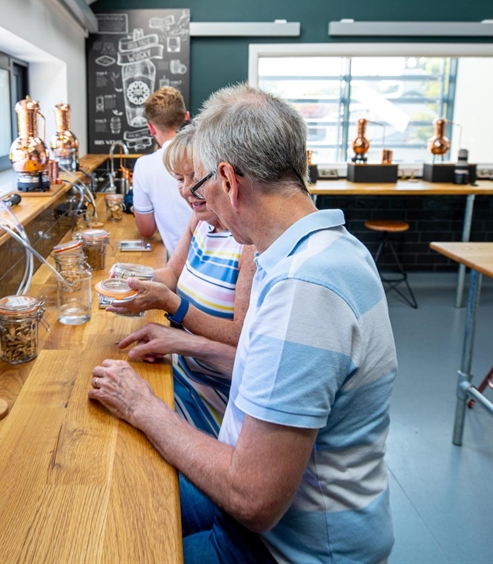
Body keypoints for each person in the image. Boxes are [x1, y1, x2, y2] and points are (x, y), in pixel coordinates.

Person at [90, 84, 397, 564]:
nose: (200, 199)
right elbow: (266, 367)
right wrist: (182, 343)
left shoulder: (305, 290)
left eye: (202, 185)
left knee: (120, 537)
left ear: (228, 180)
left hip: (284, 548)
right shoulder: (324, 249)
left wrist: (143, 406)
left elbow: (253, 500)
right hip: (272, 523)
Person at [108, 125, 255, 437]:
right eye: (179, 179)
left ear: (221, 176)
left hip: (217, 395)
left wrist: (172, 305)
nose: (186, 190)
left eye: (194, 178)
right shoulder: (200, 222)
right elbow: (172, 275)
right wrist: (132, 277)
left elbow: (241, 337)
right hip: (182, 368)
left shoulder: (248, 244)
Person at [132, 86, 193, 254]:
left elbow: (146, 230)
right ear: (187, 117)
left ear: (150, 128)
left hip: (182, 268)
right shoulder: (208, 153)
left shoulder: (144, 167)